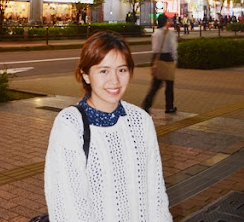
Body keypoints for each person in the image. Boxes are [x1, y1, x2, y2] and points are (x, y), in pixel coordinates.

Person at [44, 31, 172, 221]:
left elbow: (156, 193)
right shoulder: (71, 125)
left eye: (122, 70)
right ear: (86, 75)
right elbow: (67, 206)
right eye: (104, 71)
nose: (115, 80)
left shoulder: (141, 121)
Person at [142, 14, 178, 114]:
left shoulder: (155, 33)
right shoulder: (169, 33)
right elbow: (173, 48)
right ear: (166, 22)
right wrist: (175, 60)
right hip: (168, 58)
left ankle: (146, 105)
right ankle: (169, 106)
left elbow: (154, 49)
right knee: (169, 85)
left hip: (157, 58)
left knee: (155, 85)